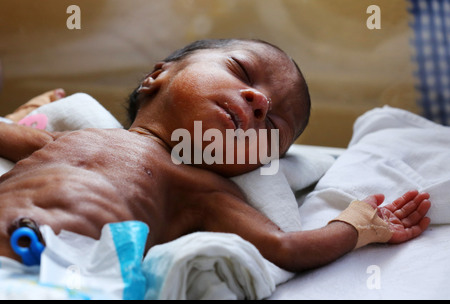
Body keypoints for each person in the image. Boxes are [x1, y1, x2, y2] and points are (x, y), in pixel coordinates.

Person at [0, 39, 430, 272]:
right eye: (241, 70)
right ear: (158, 75)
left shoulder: (204, 190)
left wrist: (354, 227)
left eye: (273, 127)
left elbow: (286, 247)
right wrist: (29, 114)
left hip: (57, 274)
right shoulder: (69, 139)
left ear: (256, 163)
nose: (260, 102)